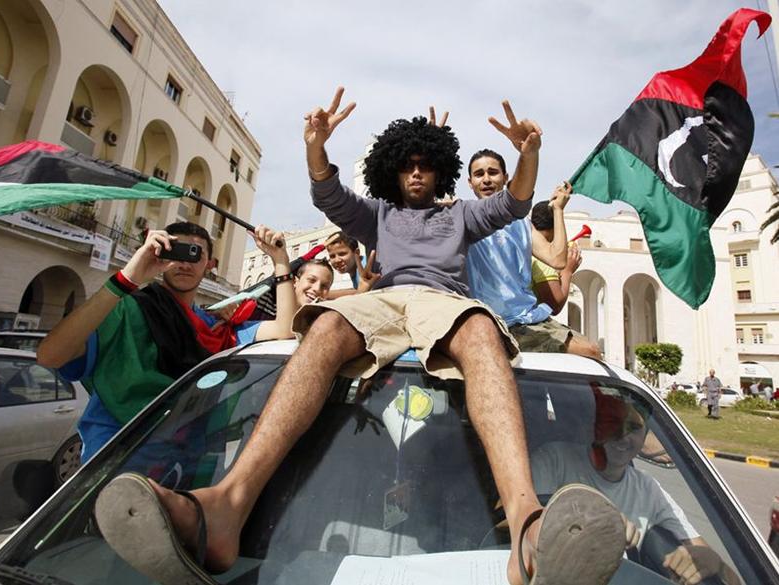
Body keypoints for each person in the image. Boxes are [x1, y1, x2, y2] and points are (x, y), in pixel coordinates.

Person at [94, 89, 627, 585]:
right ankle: (226, 507)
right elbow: (328, 194)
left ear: (439, 169)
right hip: (383, 300)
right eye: (407, 164)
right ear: (392, 169)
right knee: (324, 325)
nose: (415, 172)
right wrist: (316, 146)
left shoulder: (462, 215)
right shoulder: (378, 215)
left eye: (425, 164)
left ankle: (527, 527)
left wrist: (529, 154)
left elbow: (514, 202)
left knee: (483, 329)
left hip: (443, 300)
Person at [37, 222, 297, 462]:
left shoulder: (215, 328)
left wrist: (280, 260)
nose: (184, 263)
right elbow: (50, 356)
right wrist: (128, 277)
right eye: (175, 252)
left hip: (187, 468)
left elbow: (286, 328)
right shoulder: (125, 310)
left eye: (194, 254)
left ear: (209, 264)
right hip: (115, 464)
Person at [531, 386, 741, 585]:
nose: (623, 436)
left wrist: (716, 564)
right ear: (596, 426)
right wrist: (593, 521)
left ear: (644, 436)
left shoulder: (648, 489)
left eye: (634, 427)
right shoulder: (554, 460)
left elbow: (729, 575)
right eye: (612, 423)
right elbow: (519, 528)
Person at [465, 151, 600, 359]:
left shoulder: (521, 223)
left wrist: (558, 210)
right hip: (494, 324)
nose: (486, 179)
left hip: (527, 319)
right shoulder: (463, 217)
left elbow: (557, 259)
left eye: (492, 172)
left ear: (505, 178)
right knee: (589, 352)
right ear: (470, 182)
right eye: (479, 174)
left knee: (594, 351)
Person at [323, 231, 381, 299]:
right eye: (332, 256)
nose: (337, 260)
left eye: (342, 254)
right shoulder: (354, 272)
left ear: (357, 253)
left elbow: (359, 292)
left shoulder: (367, 268)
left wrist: (322, 293)